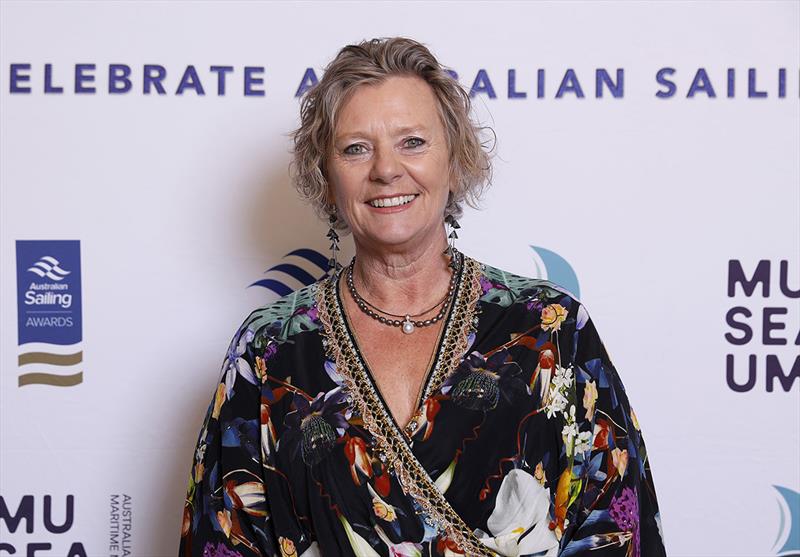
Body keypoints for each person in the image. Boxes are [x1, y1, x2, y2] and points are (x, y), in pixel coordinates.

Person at [179, 37, 667, 557]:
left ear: (455, 163)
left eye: (412, 141)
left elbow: (620, 531)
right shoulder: (271, 349)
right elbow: (223, 540)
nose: (386, 169)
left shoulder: (548, 329)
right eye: (355, 148)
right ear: (326, 179)